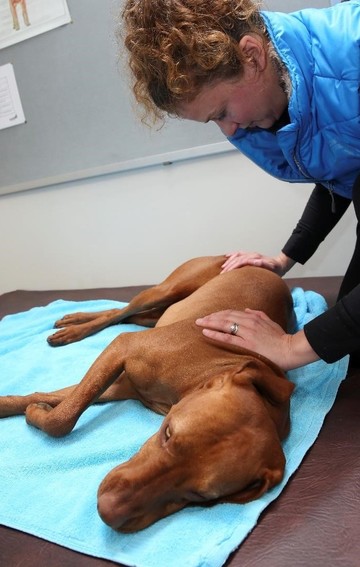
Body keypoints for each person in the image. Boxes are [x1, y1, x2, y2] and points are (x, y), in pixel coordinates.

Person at [121, 0, 360, 370]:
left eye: (222, 113)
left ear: (252, 55)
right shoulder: (290, 89)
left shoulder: (352, 48)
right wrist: (284, 259)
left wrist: (291, 347)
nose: (229, 130)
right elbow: (342, 174)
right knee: (350, 348)